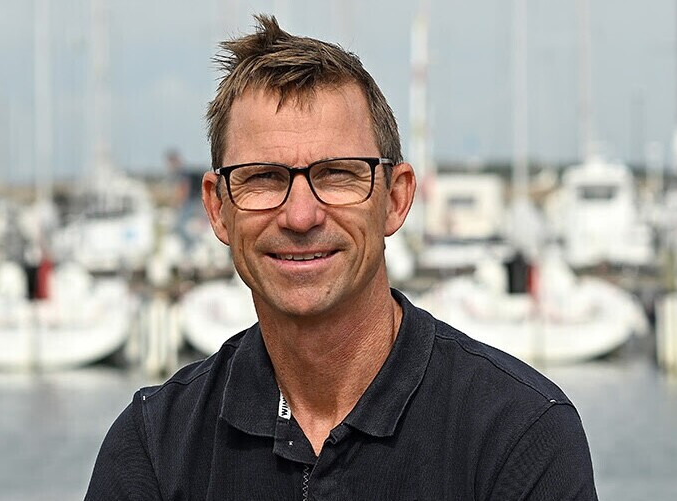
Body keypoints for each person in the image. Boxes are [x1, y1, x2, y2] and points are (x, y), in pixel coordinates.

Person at [85, 15, 598, 500]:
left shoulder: (518, 435)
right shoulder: (155, 446)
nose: (300, 216)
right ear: (218, 209)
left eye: (336, 174)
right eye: (264, 178)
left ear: (395, 199)